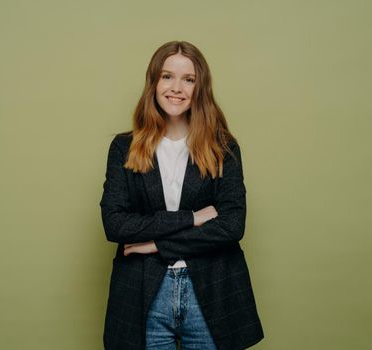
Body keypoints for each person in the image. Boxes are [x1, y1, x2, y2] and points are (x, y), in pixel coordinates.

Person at [100, 40, 264, 350]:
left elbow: (231, 226)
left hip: (211, 291)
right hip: (142, 293)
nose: (177, 88)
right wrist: (194, 217)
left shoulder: (223, 147)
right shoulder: (124, 148)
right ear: (153, 83)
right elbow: (115, 225)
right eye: (167, 76)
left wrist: (156, 245)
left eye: (188, 79)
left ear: (200, 87)